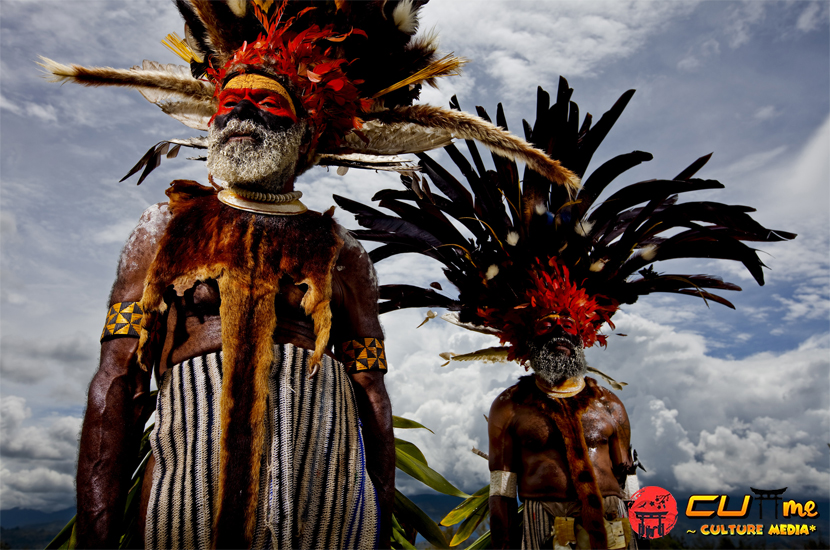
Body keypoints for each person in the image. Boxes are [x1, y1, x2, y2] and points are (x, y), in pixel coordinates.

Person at [488, 326, 635, 550]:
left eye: (568, 326)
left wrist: (641, 536)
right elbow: (501, 487)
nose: (559, 333)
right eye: (546, 327)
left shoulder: (608, 403)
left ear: (582, 340)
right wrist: (504, 544)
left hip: (610, 515)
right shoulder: (510, 404)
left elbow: (627, 475)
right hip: (544, 517)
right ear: (529, 343)